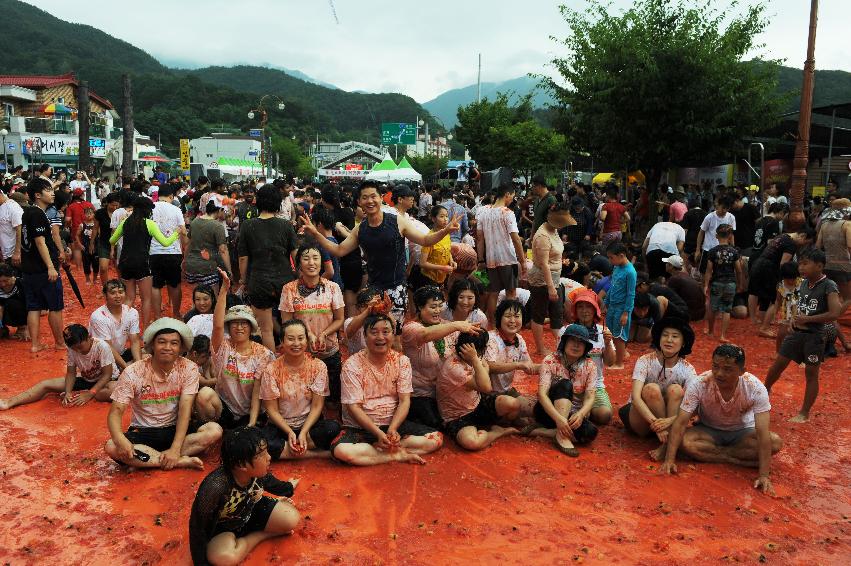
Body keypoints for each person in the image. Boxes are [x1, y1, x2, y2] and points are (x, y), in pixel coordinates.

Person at [302, 180, 460, 333]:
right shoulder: (360, 229)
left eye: (373, 196)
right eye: (364, 197)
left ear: (380, 198)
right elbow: (339, 250)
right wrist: (316, 233)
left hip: (397, 288)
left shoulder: (397, 221)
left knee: (395, 336)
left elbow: (425, 240)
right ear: (359, 201)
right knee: (375, 333)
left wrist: (445, 230)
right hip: (373, 291)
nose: (369, 201)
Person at [658, 344, 783, 495]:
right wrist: (669, 460)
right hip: (708, 430)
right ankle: (736, 460)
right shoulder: (700, 383)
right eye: (715, 366)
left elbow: (763, 432)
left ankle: (715, 456)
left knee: (775, 441)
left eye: (728, 369)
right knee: (685, 441)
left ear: (742, 371)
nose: (719, 373)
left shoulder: (755, 388)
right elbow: (681, 422)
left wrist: (764, 476)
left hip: (742, 433)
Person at [104, 317, 223, 469]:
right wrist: (121, 440)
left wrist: (175, 448)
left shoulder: (189, 368)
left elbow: (184, 410)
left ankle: (151, 458)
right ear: (152, 345)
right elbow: (116, 412)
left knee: (214, 430)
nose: (168, 347)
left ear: (181, 348)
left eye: (174, 343)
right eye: (162, 342)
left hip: (175, 428)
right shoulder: (133, 372)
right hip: (144, 430)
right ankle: (177, 461)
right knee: (112, 446)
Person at [331, 314, 444, 466]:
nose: (380, 337)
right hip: (360, 426)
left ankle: (375, 451)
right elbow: (354, 408)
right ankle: (394, 456)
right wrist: (378, 434)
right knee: (341, 451)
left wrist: (392, 429)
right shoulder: (352, 365)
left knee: (436, 439)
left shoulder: (402, 361)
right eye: (374, 332)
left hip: (392, 423)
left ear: (393, 334)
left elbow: (404, 401)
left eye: (386, 332)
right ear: (365, 336)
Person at [189, 426, 300, 566]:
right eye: (261, 455)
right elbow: (197, 526)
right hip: (225, 528)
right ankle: (261, 535)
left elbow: (273, 484)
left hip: (251, 511)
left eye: (266, 451)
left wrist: (289, 487)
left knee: (291, 519)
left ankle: (263, 522)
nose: (269, 457)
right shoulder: (216, 486)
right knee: (224, 558)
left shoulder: (259, 474)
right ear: (242, 465)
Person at [764, 248, 842, 423]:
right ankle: (764, 391)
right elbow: (799, 305)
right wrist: (794, 320)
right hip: (797, 332)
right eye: (800, 263)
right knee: (777, 365)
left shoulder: (829, 285)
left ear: (820, 266)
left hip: (815, 336)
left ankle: (804, 413)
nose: (801, 267)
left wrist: (808, 319)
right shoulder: (804, 283)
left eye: (806, 263)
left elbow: (835, 313)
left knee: (811, 374)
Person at [196, 270, 275, 429]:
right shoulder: (223, 346)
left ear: (250, 327)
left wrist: (252, 422)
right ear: (229, 326)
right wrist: (224, 289)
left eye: (244, 323)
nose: (239, 327)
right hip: (226, 408)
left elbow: (260, 392)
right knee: (204, 396)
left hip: (254, 412)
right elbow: (217, 326)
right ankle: (217, 430)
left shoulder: (263, 354)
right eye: (234, 323)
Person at [402, 286, 483, 430]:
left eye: (440, 306)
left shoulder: (446, 325)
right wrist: (457, 324)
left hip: (448, 389)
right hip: (423, 392)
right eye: (433, 307)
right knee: (436, 427)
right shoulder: (410, 328)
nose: (438, 310)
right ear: (420, 307)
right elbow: (425, 334)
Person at [260, 319, 342, 459]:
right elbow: (271, 409)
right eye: (291, 339)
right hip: (281, 427)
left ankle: (289, 449)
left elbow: (317, 406)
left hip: (309, 426)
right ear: (282, 342)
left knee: (332, 428)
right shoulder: (271, 369)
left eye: (300, 338)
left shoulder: (318, 366)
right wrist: (290, 432)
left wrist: (303, 432)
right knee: (261, 443)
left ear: (307, 340)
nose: (296, 344)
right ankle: (314, 453)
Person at [279, 244, 345, 402]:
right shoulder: (289, 289)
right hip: (300, 351)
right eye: (306, 258)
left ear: (322, 262)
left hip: (329, 349)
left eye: (315, 258)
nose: (311, 262)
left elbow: (339, 319)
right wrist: (307, 335)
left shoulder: (332, 288)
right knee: (305, 397)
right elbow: (287, 323)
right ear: (299, 263)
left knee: (333, 397)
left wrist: (323, 334)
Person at [437, 330, 521, 450]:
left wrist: (478, 362)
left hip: (477, 404)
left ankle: (493, 427)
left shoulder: (473, 356)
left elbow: (484, 373)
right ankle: (497, 432)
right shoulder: (454, 367)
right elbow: (486, 387)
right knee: (471, 442)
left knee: (514, 404)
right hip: (457, 416)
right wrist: (476, 360)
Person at [0, 324, 118, 410]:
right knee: (45, 384)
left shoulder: (101, 346)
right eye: (74, 348)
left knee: (114, 390)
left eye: (80, 347)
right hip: (87, 379)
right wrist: (67, 392)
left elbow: (107, 375)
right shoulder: (72, 348)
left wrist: (90, 393)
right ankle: (9, 402)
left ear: (89, 338)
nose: (77, 350)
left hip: (108, 380)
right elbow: (71, 373)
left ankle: (86, 393)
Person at [620, 317, 697, 448]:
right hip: (642, 419)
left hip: (667, 420)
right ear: (659, 339)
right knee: (651, 389)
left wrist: (668, 421)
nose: (669, 340)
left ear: (683, 342)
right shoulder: (645, 361)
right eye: (665, 335)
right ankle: (669, 438)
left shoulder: (687, 369)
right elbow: (636, 397)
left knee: (676, 390)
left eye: (675, 336)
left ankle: (668, 440)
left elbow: (695, 405)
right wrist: (658, 425)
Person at [239, 185, 299, 351]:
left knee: (265, 330)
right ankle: (291, 360)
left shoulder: (247, 226)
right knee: (290, 327)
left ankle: (270, 365)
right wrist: (300, 276)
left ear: (258, 201)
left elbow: (243, 257)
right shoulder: (285, 225)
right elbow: (296, 254)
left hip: (258, 281)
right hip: (285, 280)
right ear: (278, 203)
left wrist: (243, 280)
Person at [109, 196, 182, 329]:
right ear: (147, 210)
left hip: (125, 263)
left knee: (129, 298)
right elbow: (165, 243)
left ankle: (123, 327)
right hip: (142, 263)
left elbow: (112, 240)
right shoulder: (150, 224)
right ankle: (146, 328)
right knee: (146, 299)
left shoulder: (125, 222)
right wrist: (176, 233)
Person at [527, 324, 600, 456]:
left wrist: (581, 414)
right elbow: (542, 395)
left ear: (585, 347)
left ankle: (543, 432)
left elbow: (590, 397)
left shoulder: (590, 366)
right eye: (572, 340)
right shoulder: (550, 361)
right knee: (565, 384)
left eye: (581, 342)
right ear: (564, 342)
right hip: (548, 413)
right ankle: (561, 436)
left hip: (572, 414)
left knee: (590, 433)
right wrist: (559, 419)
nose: (576, 345)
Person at [20, 177, 65, 352]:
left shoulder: (28, 212)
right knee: (55, 306)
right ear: (38, 195)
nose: (52, 193)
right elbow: (40, 242)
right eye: (48, 190)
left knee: (34, 307)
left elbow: (22, 237)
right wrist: (51, 267)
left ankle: (35, 344)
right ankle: (60, 343)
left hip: (29, 269)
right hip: (43, 269)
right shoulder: (38, 214)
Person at [476, 183, 526, 324]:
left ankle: (492, 323)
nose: (512, 200)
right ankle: (509, 322)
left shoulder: (482, 212)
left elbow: (480, 238)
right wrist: (522, 261)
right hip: (507, 259)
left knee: (493, 292)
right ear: (507, 194)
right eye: (512, 197)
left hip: (491, 259)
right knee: (511, 293)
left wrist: (480, 260)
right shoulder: (507, 213)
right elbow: (516, 239)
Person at [748, 229, 815, 331]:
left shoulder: (782, 236)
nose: (805, 245)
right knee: (773, 300)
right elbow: (783, 264)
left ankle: (755, 319)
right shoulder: (791, 244)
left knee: (756, 293)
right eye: (806, 243)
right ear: (803, 236)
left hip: (758, 264)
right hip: (768, 268)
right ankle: (764, 326)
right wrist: (784, 281)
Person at [528, 201, 572, 355]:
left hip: (555, 277)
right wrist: (551, 287)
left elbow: (553, 256)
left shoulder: (554, 230)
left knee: (557, 314)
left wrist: (560, 261)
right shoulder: (542, 235)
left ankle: (563, 344)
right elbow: (544, 264)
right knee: (539, 314)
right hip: (541, 280)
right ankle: (540, 348)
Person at [568, 290, 615, 425]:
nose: (584, 310)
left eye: (588, 306)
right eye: (580, 307)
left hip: (595, 385)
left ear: (595, 310)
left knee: (604, 415)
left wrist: (607, 343)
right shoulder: (567, 331)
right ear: (575, 310)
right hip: (570, 383)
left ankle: (585, 412)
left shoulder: (603, 332)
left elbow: (610, 363)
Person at [483, 300, 539, 405]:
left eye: (517, 316)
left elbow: (529, 367)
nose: (513, 320)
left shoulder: (519, 339)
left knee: (534, 409)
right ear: (499, 318)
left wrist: (549, 366)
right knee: (516, 408)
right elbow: (490, 366)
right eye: (508, 316)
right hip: (487, 394)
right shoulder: (491, 338)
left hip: (507, 391)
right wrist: (517, 365)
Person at [88, 279, 142, 373]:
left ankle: (126, 368)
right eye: (113, 293)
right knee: (113, 384)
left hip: (119, 354)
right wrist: (128, 369)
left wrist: (139, 365)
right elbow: (108, 348)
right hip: (101, 360)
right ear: (105, 296)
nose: (118, 296)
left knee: (150, 356)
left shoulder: (132, 313)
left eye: (121, 292)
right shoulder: (98, 317)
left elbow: (135, 341)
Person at [150, 184, 187, 320]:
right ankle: (176, 314)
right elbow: (183, 230)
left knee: (155, 285)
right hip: (173, 252)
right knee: (175, 284)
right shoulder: (176, 209)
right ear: (171, 196)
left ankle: (158, 316)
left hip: (154, 252)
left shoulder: (151, 208)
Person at [704, 224, 743, 342]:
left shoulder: (712, 251)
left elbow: (709, 270)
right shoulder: (734, 251)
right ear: (730, 236)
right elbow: (739, 270)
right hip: (730, 283)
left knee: (712, 308)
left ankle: (711, 332)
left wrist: (706, 284)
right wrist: (740, 284)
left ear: (716, 236)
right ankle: (722, 335)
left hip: (717, 282)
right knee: (727, 309)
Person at [186, 199, 231, 295]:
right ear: (219, 210)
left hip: (191, 265)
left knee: (196, 298)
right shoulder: (217, 226)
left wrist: (185, 260)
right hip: (208, 267)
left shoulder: (194, 221)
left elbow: (189, 244)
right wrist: (229, 270)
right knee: (212, 298)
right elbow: (223, 250)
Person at [603, 243, 636, 368]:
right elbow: (613, 286)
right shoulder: (616, 268)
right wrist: (606, 302)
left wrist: (626, 313)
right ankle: (618, 355)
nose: (610, 261)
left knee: (619, 336)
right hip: (612, 306)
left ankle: (619, 363)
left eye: (611, 257)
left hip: (622, 308)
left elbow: (631, 294)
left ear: (621, 255)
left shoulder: (630, 272)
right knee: (611, 333)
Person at [816, 201, 851, 301]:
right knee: (847, 299)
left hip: (827, 266)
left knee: (831, 297)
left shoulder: (824, 225)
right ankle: (839, 316)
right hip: (845, 267)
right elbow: (850, 246)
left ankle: (832, 315)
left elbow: (818, 246)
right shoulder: (847, 225)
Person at [417, 205, 456, 289]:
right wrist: (443, 267)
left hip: (442, 277)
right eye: (442, 216)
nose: (445, 219)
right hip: (429, 278)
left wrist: (451, 261)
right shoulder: (429, 238)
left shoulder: (446, 234)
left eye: (446, 216)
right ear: (433, 219)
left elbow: (447, 250)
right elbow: (422, 263)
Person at [695, 196, 736, 275]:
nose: (724, 210)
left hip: (724, 251)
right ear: (718, 205)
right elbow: (701, 232)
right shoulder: (709, 217)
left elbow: (731, 235)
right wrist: (698, 249)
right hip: (708, 249)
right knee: (705, 273)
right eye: (723, 208)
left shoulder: (731, 217)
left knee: (720, 274)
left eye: (727, 208)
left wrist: (733, 248)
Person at [343, 286, 383, 356]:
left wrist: (386, 312)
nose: (371, 307)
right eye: (365, 305)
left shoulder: (382, 320)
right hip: (357, 363)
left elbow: (394, 329)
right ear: (358, 307)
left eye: (374, 305)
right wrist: (368, 310)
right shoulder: (349, 321)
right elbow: (349, 333)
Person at [663, 255, 705, 321]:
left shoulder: (674, 279)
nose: (665, 265)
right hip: (699, 312)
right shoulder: (685, 275)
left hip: (690, 314)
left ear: (671, 266)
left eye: (667, 264)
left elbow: (668, 297)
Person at [92, 193, 119, 287]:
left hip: (119, 243)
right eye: (113, 205)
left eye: (117, 205)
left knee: (119, 267)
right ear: (107, 203)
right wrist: (91, 243)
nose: (115, 207)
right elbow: (95, 228)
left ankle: (122, 287)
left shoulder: (120, 212)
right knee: (103, 268)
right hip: (104, 242)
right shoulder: (100, 213)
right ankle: (105, 288)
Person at [0, 263, 27, 340]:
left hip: (22, 312)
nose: (3, 284)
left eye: (5, 280)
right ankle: (3, 329)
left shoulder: (21, 284)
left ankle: (22, 328)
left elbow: (31, 307)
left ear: (12, 276)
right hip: (5, 314)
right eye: (0, 281)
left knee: (12, 304)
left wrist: (28, 327)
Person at [0, 187, 23, 267]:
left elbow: (19, 229)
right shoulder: (2, 206)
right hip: (5, 253)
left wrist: (17, 251)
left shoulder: (12, 206)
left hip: (13, 254)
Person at [74, 206, 97, 284]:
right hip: (85, 247)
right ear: (84, 214)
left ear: (94, 214)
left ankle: (95, 278)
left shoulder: (96, 224)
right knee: (86, 263)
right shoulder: (82, 225)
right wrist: (80, 244)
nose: (88, 215)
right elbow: (77, 235)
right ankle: (87, 279)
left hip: (95, 247)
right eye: (87, 213)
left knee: (96, 263)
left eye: (90, 213)